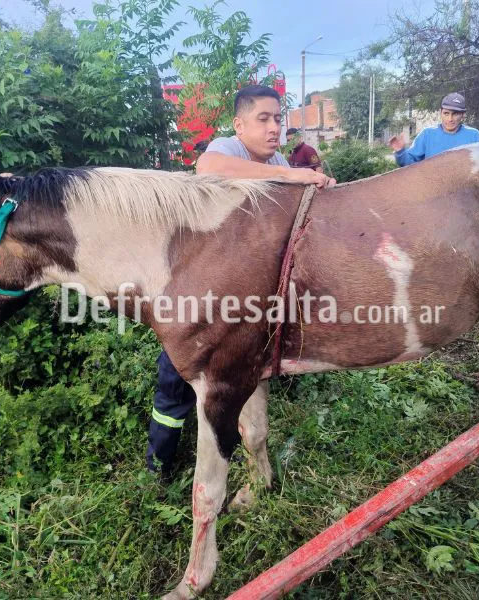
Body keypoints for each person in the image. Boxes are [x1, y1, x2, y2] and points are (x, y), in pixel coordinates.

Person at [146, 85, 335, 474]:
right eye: (263, 119)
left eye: (278, 119)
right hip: (198, 291)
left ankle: (233, 450)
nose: (274, 128)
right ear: (239, 124)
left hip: (242, 296)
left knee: (231, 378)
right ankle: (158, 464)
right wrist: (288, 173)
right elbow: (208, 168)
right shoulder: (228, 150)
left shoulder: (277, 157)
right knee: (175, 380)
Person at [388, 92, 479, 166]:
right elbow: (410, 166)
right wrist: (400, 152)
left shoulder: (473, 135)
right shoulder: (427, 134)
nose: (450, 119)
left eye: (455, 114)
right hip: (433, 187)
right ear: (440, 112)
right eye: (446, 113)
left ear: (463, 115)